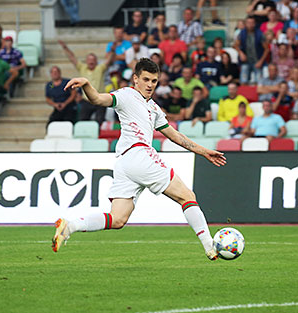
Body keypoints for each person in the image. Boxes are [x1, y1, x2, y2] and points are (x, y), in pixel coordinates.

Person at [52, 58, 226, 261]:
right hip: (139, 154)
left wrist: (204, 151)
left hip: (125, 163)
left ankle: (70, 225)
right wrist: (88, 85)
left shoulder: (153, 109)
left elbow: (175, 135)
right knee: (187, 197)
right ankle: (210, 245)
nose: (150, 85)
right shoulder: (126, 95)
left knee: (117, 219)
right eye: (146, 79)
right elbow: (99, 100)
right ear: (135, 79)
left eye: (154, 81)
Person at [58, 40, 115, 125]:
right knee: (82, 122)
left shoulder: (100, 68)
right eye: (89, 60)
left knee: (99, 121)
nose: (91, 62)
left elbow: (108, 60)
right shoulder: (82, 67)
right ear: (86, 61)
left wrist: (113, 50)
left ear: (96, 61)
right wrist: (65, 48)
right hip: (86, 100)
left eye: (93, 60)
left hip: (99, 98)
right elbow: (72, 58)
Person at [234, 16, 269, 85]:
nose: (250, 25)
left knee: (259, 82)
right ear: (245, 23)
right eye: (248, 23)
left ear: (255, 24)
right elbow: (235, 45)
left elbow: (267, 49)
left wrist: (261, 61)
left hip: (257, 61)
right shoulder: (241, 33)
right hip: (246, 61)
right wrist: (240, 53)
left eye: (252, 23)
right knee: (243, 81)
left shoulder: (260, 34)